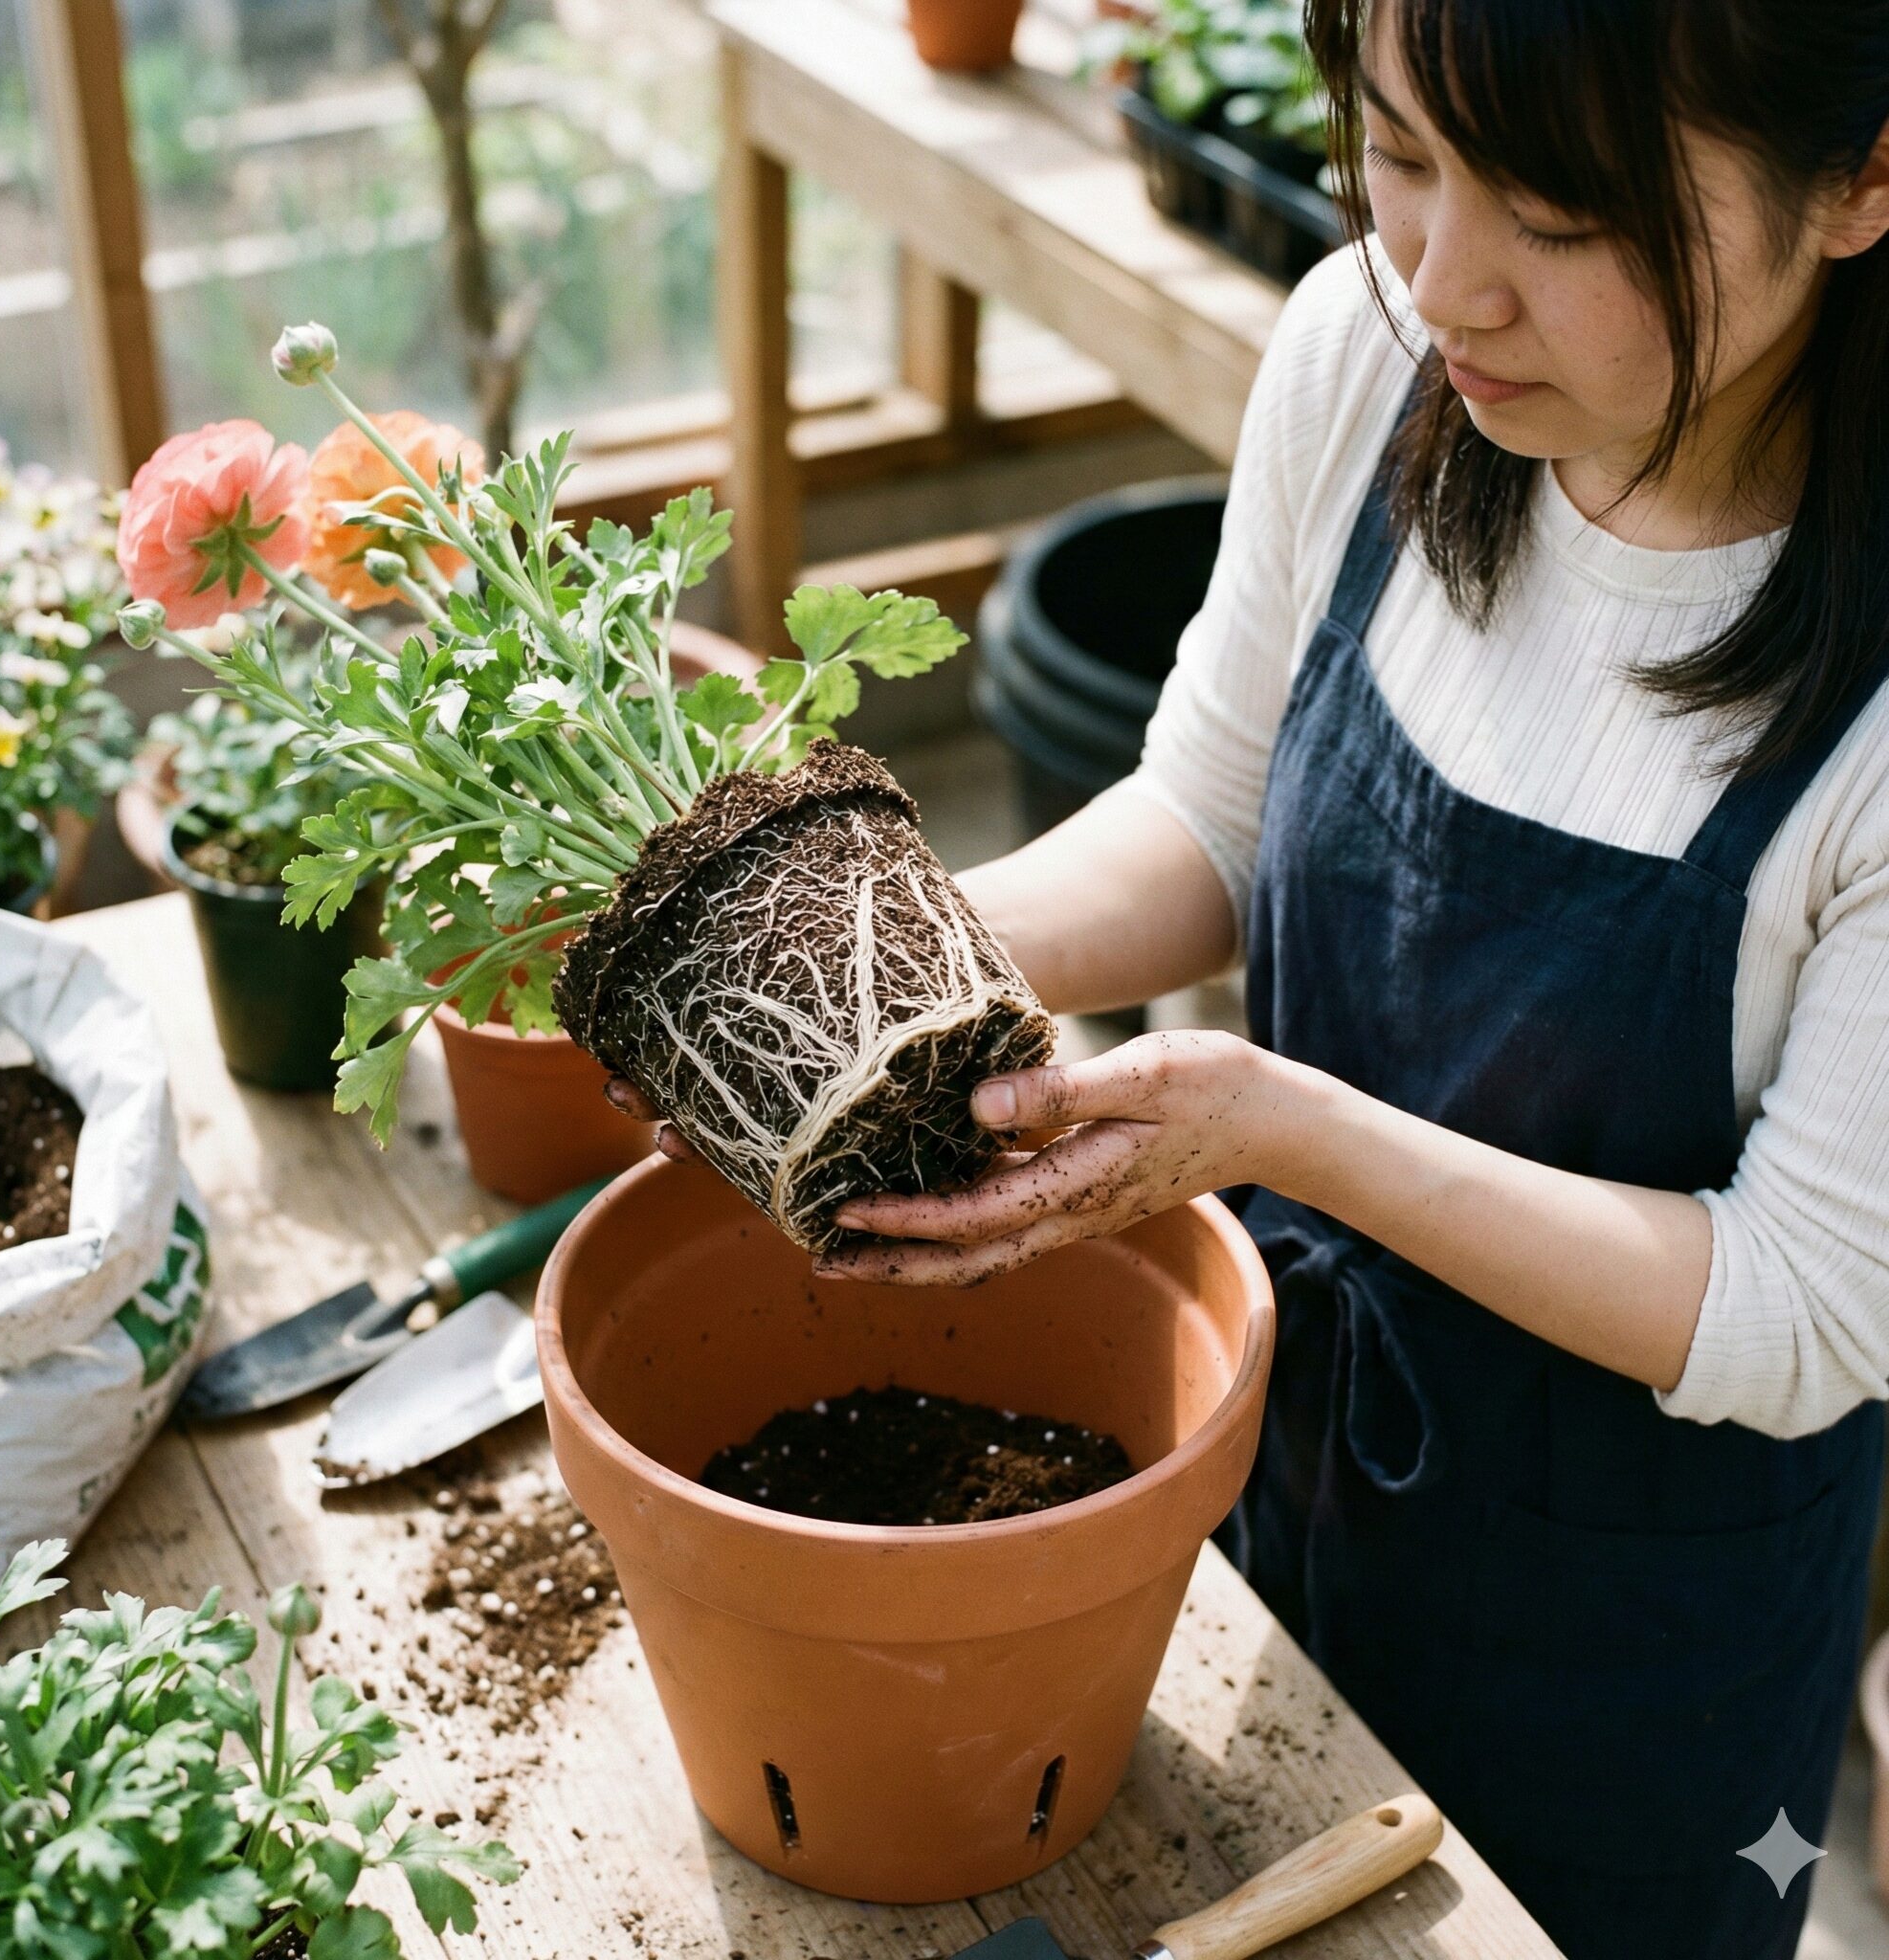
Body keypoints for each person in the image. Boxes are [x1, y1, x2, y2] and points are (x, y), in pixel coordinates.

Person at [611, 1, 1889, 1952]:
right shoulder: (1370, 359)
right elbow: (1209, 816)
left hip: (1639, 1637)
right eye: (1394, 156)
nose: (1444, 280)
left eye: (1558, 213)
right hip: (1289, 1475)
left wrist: (1277, 1125)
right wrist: (872, 958)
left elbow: (1797, 1307)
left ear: (1861, 176)